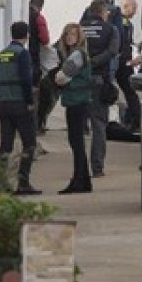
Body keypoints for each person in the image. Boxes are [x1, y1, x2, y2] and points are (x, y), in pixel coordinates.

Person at [0, 22, 41, 196]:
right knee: (29, 143)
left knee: (5, 144)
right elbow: (26, 80)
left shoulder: (0, 55)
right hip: (19, 104)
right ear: (26, 36)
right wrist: (30, 102)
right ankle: (23, 182)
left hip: (3, 104)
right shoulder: (22, 54)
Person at [79, 0, 120, 179]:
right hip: (98, 80)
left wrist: (82, 64)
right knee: (98, 124)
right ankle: (97, 167)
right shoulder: (111, 29)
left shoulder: (79, 28)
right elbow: (113, 51)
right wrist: (94, 62)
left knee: (77, 126)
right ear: (103, 12)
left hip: (78, 81)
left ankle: (79, 168)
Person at [54, 23, 93, 194]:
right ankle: (83, 180)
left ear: (79, 37)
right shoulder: (79, 54)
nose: (70, 37)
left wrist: (58, 77)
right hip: (79, 101)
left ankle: (78, 181)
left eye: (73, 34)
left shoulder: (76, 55)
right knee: (77, 142)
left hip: (76, 102)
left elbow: (62, 76)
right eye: (67, 34)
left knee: (76, 142)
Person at [28, 0, 58, 133]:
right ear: (41, 6)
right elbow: (45, 39)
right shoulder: (38, 18)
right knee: (38, 95)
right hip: (33, 60)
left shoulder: (22, 12)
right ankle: (36, 126)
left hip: (22, 58)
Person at [114, 0, 142, 130]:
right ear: (127, 6)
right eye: (134, 8)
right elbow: (123, 43)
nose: (135, 12)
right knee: (130, 92)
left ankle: (132, 119)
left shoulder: (123, 21)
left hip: (121, 61)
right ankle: (135, 120)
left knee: (129, 92)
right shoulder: (123, 22)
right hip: (122, 62)